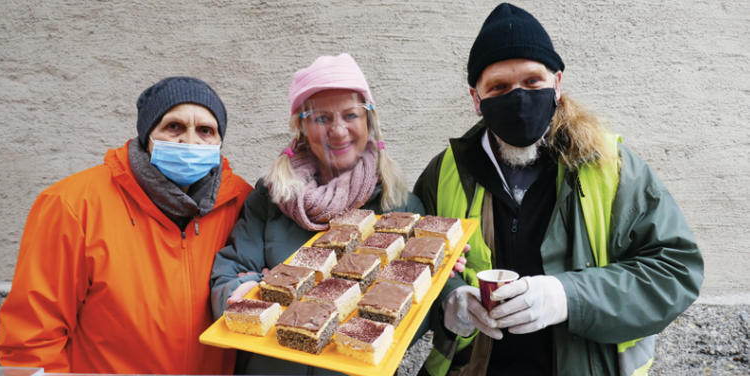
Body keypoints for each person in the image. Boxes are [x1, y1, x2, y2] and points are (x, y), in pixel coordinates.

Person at [414, 4, 704, 376]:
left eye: (533, 81)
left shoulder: (610, 166)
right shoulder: (446, 172)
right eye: (499, 87)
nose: (518, 99)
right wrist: (448, 298)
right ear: (476, 99)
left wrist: (570, 297)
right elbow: (414, 263)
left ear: (557, 84)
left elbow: (675, 270)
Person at [0, 77, 252, 374]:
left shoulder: (241, 203)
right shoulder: (72, 205)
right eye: (174, 127)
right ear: (147, 136)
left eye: (206, 130)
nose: (189, 141)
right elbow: (32, 339)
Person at [210, 53, 425, 375]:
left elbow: (413, 315)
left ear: (369, 120)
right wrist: (254, 290)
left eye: (350, 115)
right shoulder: (271, 197)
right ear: (302, 127)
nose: (338, 131)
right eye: (322, 118)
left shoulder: (401, 207)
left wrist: (279, 284)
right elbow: (227, 278)